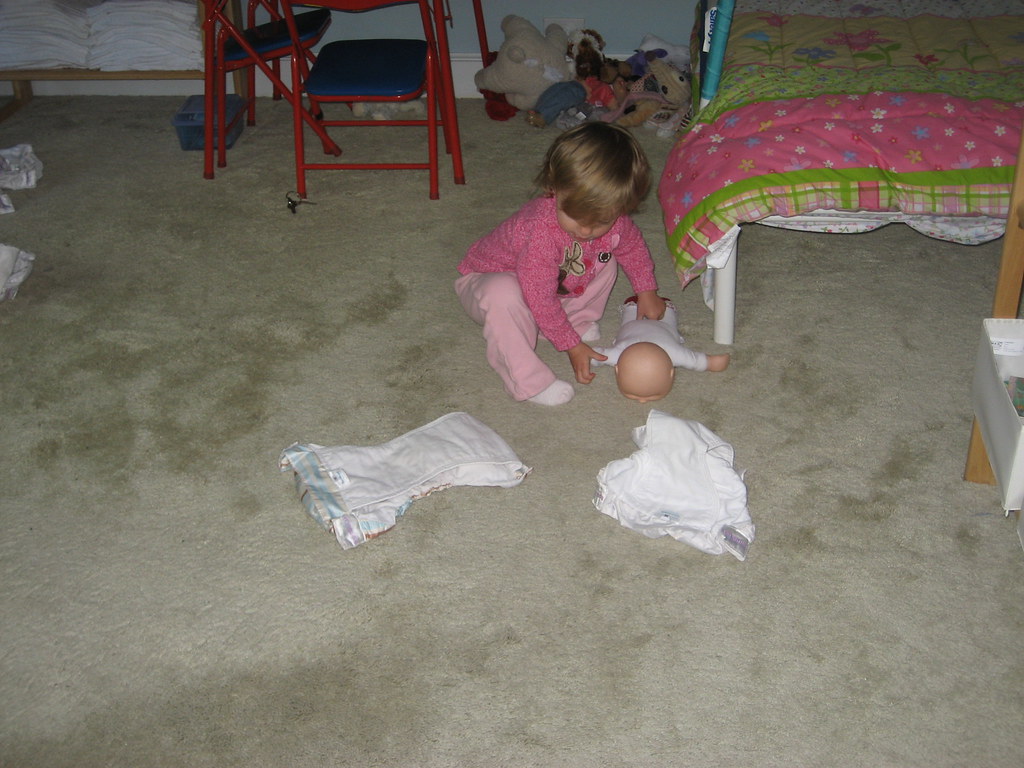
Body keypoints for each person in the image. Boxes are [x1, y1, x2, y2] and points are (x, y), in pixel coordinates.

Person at [455, 122, 666, 406]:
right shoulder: (540, 231)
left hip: (549, 281)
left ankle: (574, 320)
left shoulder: (614, 219)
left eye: (602, 220)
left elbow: (633, 248)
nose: (587, 230)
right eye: (575, 216)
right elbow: (539, 296)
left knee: (606, 259)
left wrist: (646, 290)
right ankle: (526, 382)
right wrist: (571, 346)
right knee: (503, 292)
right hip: (487, 281)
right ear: (553, 188)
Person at [593, 296, 730, 403]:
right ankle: (653, 308)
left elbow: (596, 355)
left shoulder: (672, 353)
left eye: (654, 396)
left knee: (653, 316)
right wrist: (711, 363)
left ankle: (652, 308)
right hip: (639, 326)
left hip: (644, 326)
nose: (642, 401)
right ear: (671, 373)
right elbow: (695, 361)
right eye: (631, 394)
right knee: (641, 315)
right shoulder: (673, 353)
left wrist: (711, 363)